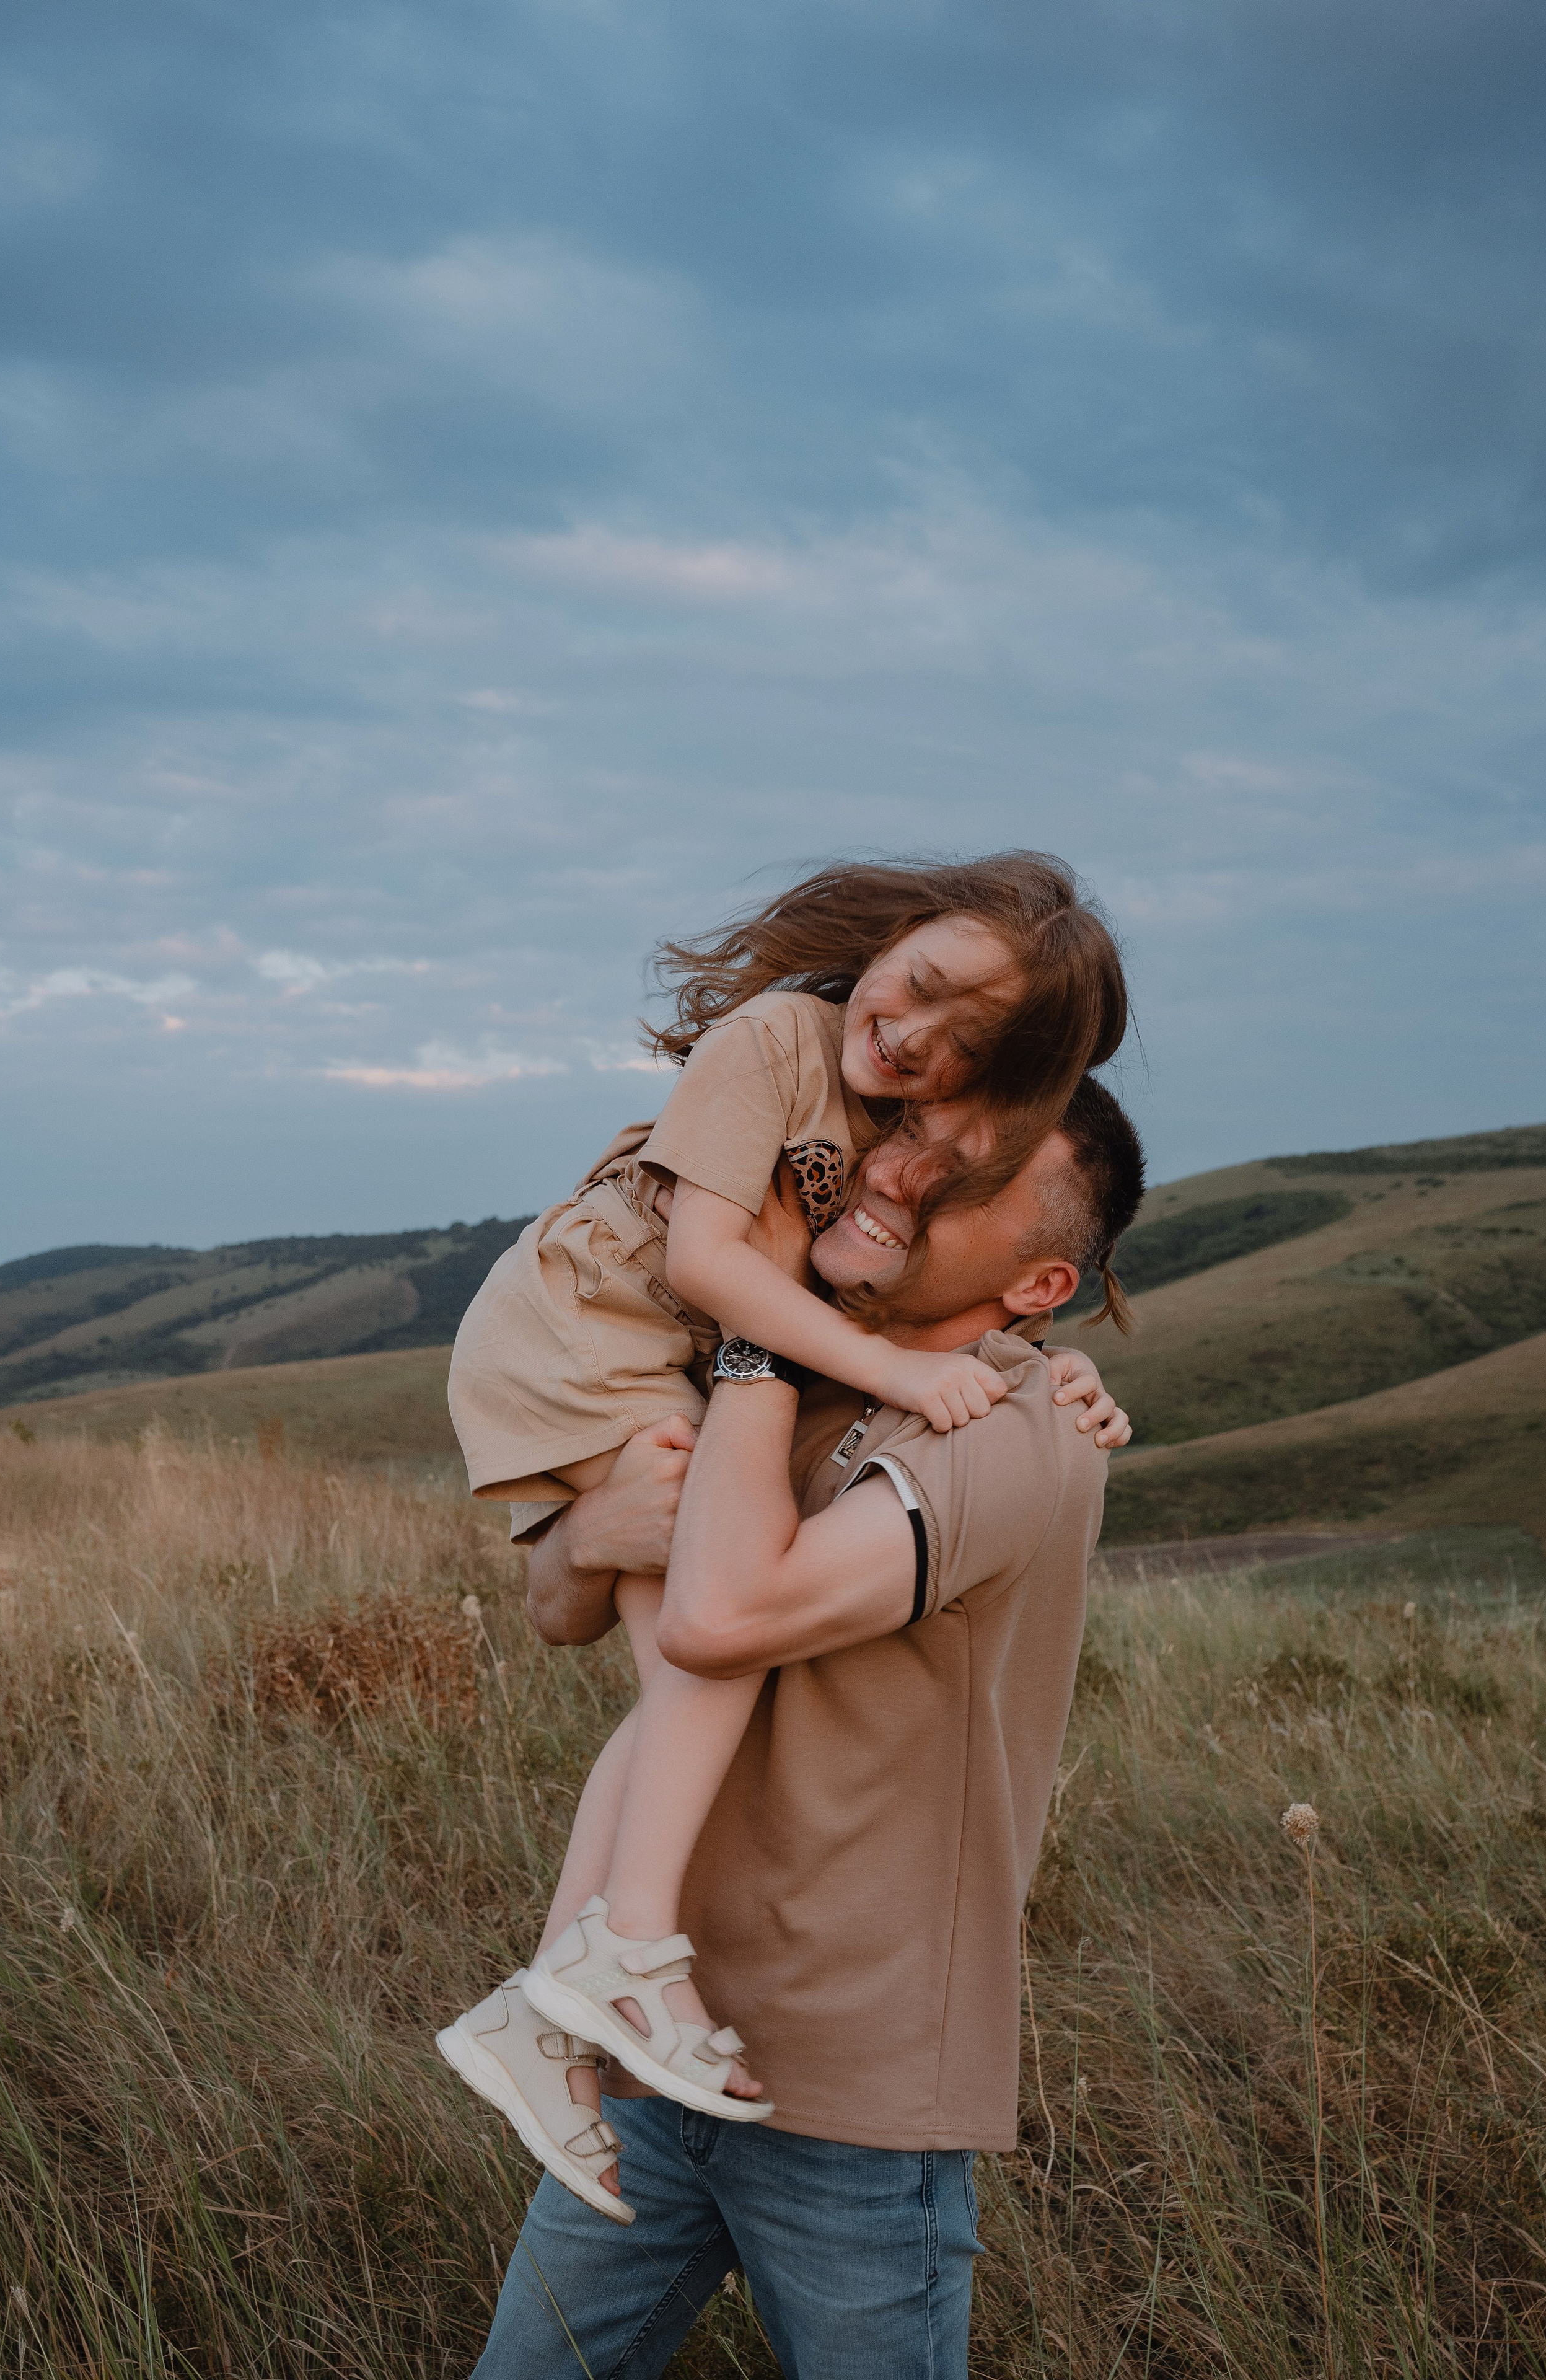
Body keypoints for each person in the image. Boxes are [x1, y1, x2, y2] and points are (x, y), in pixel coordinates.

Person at [460, 1072, 1145, 2379]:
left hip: (850, 2094)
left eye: (968, 1179)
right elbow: (561, 1606)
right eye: (912, 1139)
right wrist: (599, 1529)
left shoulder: (1017, 1432)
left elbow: (722, 1618)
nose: (899, 1174)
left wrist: (753, 1318)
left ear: (1039, 1285)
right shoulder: (791, 1369)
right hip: (659, 2042)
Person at [440, 855, 1128, 2154]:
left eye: (962, 1052)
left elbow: (968, 1275)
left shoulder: (880, 1123)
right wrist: (897, 1369)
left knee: (676, 1705)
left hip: (650, 1351)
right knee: (702, 1678)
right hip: (591, 1333)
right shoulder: (779, 1039)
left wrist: (1045, 1372)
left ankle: (547, 2012)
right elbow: (709, 1262)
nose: (914, 1044)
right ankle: (625, 1947)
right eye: (916, 984)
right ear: (890, 937)